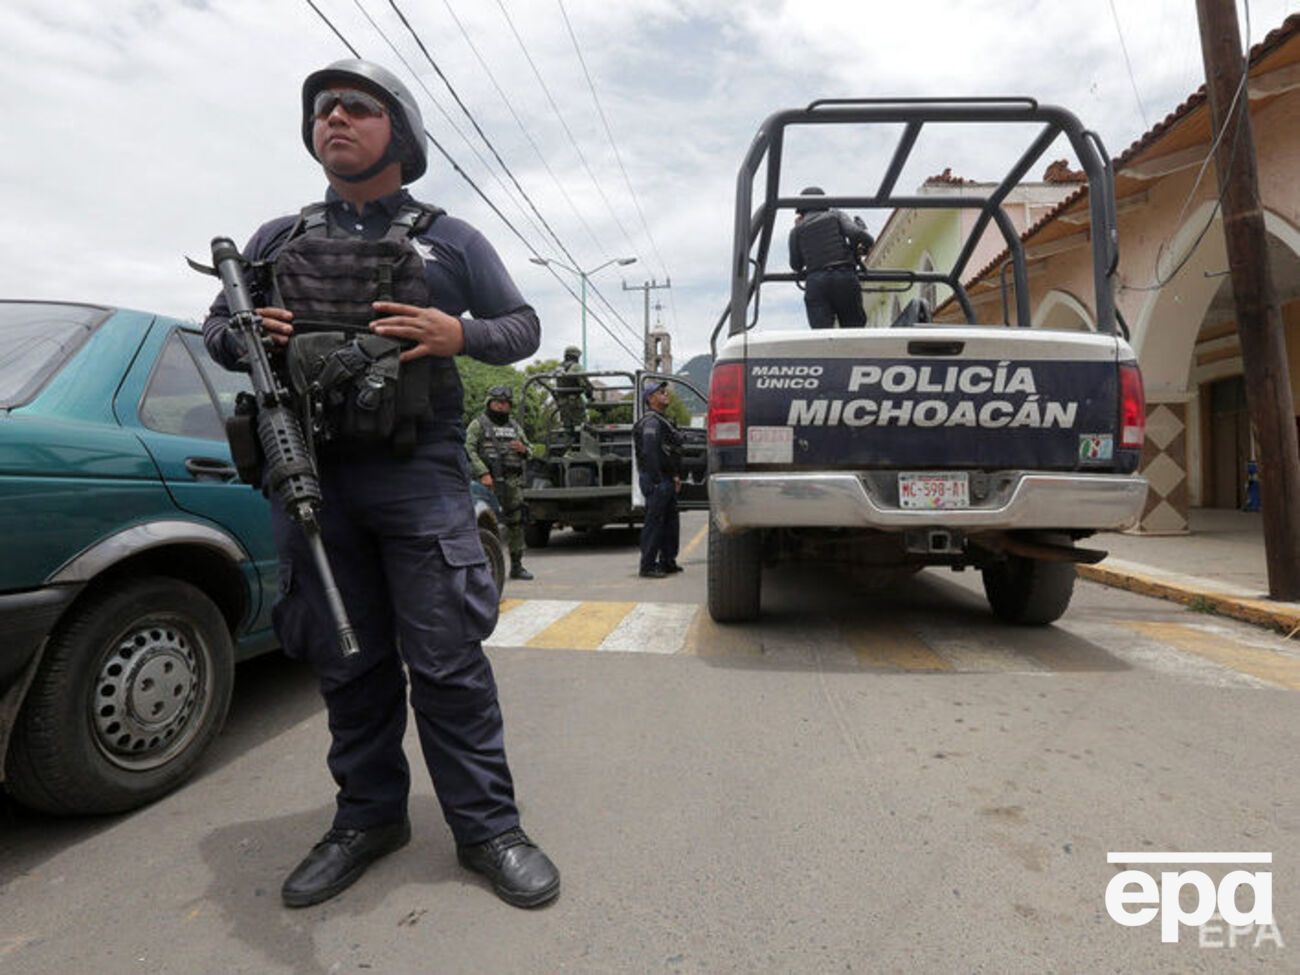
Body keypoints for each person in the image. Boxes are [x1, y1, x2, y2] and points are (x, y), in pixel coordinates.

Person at [201, 59, 559, 910]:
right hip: (312, 476)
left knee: (446, 663)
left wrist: (456, 330)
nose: (335, 119)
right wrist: (242, 329)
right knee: (347, 663)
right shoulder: (274, 240)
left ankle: (489, 829)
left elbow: (523, 328)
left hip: (419, 474)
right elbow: (219, 327)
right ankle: (368, 818)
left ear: (397, 131)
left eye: (357, 108)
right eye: (323, 110)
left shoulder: (452, 239)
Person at [466, 386, 534, 581]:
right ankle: (484, 565)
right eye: (497, 402)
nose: (501, 406)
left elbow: (530, 450)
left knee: (516, 523)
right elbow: (468, 450)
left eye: (505, 403)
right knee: (485, 522)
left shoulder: (514, 426)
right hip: (487, 482)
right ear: (489, 403)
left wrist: (524, 449)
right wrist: (484, 473)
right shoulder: (478, 425)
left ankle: (517, 565)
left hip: (512, 482)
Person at [788, 186, 874, 329]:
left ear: (801, 210)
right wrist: (867, 242)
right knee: (853, 330)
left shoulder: (796, 230)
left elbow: (796, 265)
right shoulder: (836, 215)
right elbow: (856, 234)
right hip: (844, 276)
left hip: (816, 282)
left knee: (822, 336)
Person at [634, 380, 683, 578]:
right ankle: (647, 565)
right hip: (657, 479)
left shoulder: (663, 420)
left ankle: (667, 561)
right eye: (660, 392)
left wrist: (675, 476)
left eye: (664, 391)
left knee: (671, 523)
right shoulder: (651, 423)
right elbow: (649, 453)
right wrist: (656, 480)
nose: (665, 393)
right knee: (655, 522)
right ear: (650, 398)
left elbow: (670, 452)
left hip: (667, 478)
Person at [552, 345, 592, 448]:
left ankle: (568, 449)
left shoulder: (558, 367)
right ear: (576, 356)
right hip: (574, 402)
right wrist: (590, 396)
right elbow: (585, 383)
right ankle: (582, 448)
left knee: (567, 428)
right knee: (582, 426)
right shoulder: (576, 366)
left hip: (562, 403)